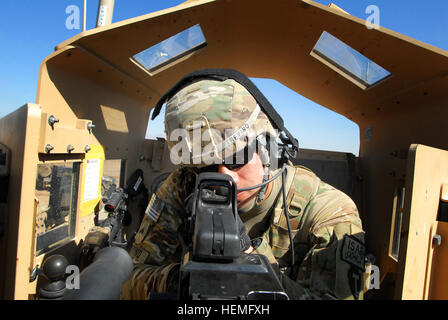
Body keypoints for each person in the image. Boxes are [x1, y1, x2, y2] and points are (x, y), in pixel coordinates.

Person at [121, 69, 365, 300]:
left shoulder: (329, 212)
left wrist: (251, 262)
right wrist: (182, 278)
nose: (225, 177)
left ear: (269, 150)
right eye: (206, 166)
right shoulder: (183, 186)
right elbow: (128, 278)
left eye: (236, 159)